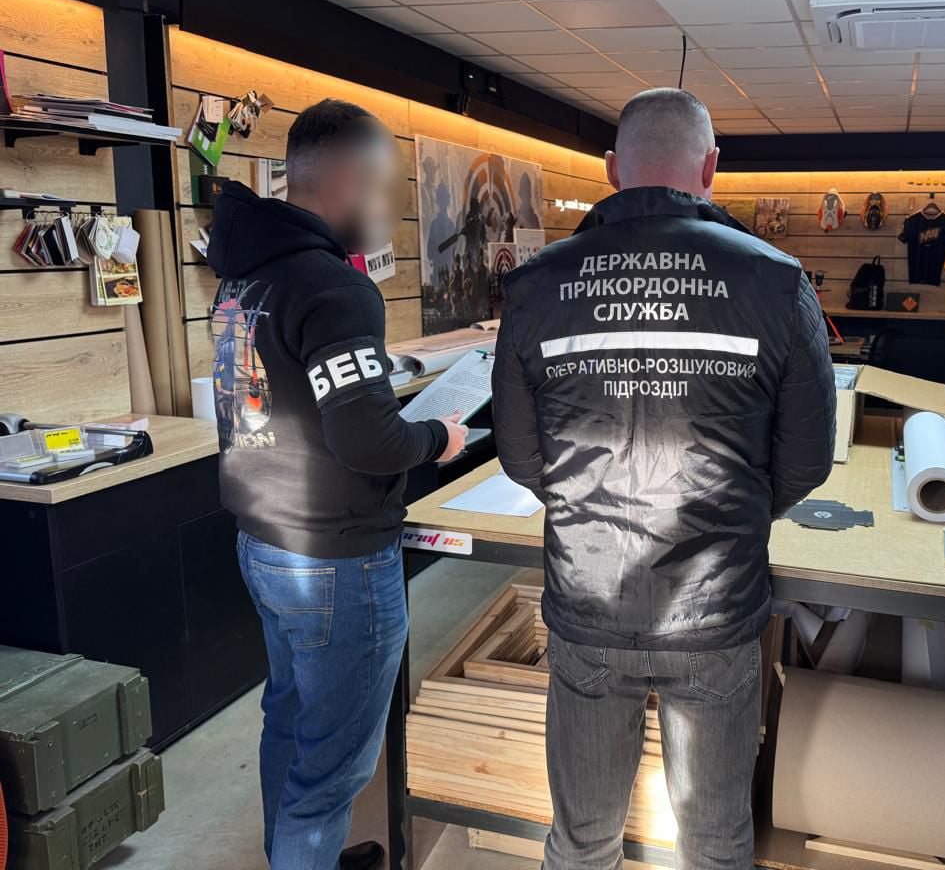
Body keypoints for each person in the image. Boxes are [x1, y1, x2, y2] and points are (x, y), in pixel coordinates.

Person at [492, 88, 837, 870]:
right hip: (715, 607)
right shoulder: (777, 282)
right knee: (714, 843)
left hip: (588, 600)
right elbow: (806, 460)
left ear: (613, 169)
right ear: (710, 168)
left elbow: (520, 456)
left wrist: (586, 507)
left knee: (581, 841)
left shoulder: (537, 285)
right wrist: (735, 510)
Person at [207, 98, 467, 870]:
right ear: (349, 181)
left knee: (290, 725)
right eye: (382, 190)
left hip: (264, 543)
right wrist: (440, 437)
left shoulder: (242, 279)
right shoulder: (335, 288)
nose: (385, 211)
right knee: (331, 770)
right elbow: (368, 439)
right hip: (336, 561)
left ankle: (294, 857)